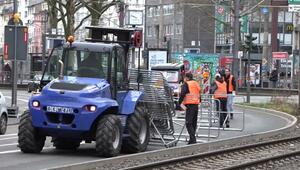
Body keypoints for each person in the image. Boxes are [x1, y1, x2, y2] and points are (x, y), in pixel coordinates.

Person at [178, 73, 201, 144]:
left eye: (185, 77)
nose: (184, 79)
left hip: (189, 105)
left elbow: (182, 94)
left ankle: (193, 139)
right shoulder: (196, 83)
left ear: (187, 78)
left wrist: (179, 102)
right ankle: (192, 139)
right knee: (194, 122)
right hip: (196, 105)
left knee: (188, 123)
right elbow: (199, 93)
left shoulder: (186, 84)